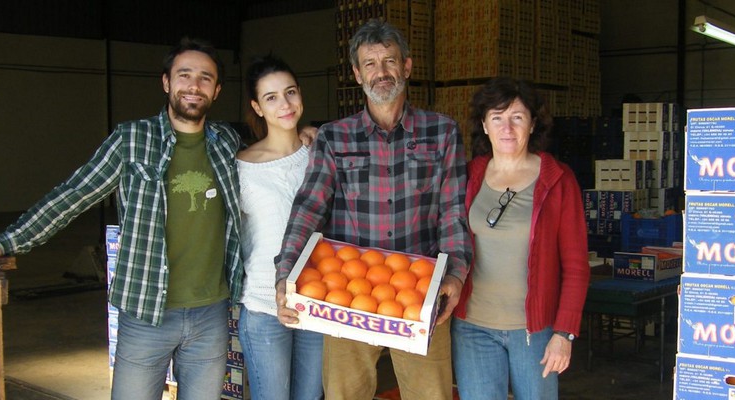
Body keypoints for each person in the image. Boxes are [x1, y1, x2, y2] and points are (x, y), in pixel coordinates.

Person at [0, 37, 244, 400]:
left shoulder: (226, 144)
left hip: (210, 314)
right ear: (166, 82)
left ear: (216, 91)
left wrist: (303, 138)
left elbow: (267, 170)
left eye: (205, 78)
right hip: (145, 310)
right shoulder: (131, 139)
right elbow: (73, 195)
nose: (194, 85)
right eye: (184, 75)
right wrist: (5, 241)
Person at [274, 19, 473, 400]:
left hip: (419, 293)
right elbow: (309, 207)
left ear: (407, 67)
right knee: (345, 394)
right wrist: (287, 273)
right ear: (356, 73)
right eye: (369, 63)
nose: (381, 72)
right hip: (349, 294)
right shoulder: (335, 136)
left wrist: (457, 274)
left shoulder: (442, 132)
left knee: (430, 395)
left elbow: (452, 212)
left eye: (389, 61)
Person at [451, 77, 591, 400]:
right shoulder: (469, 175)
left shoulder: (558, 180)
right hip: (473, 328)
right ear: (484, 126)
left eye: (517, 117)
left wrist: (564, 332)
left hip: (535, 332)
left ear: (533, 124)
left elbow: (576, 265)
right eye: (497, 118)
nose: (507, 128)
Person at [234, 55, 323, 400]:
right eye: (271, 97)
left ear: (300, 95)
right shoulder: (241, 167)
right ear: (257, 106)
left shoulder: (321, 152)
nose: (284, 104)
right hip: (263, 306)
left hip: (317, 302)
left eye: (290, 93)